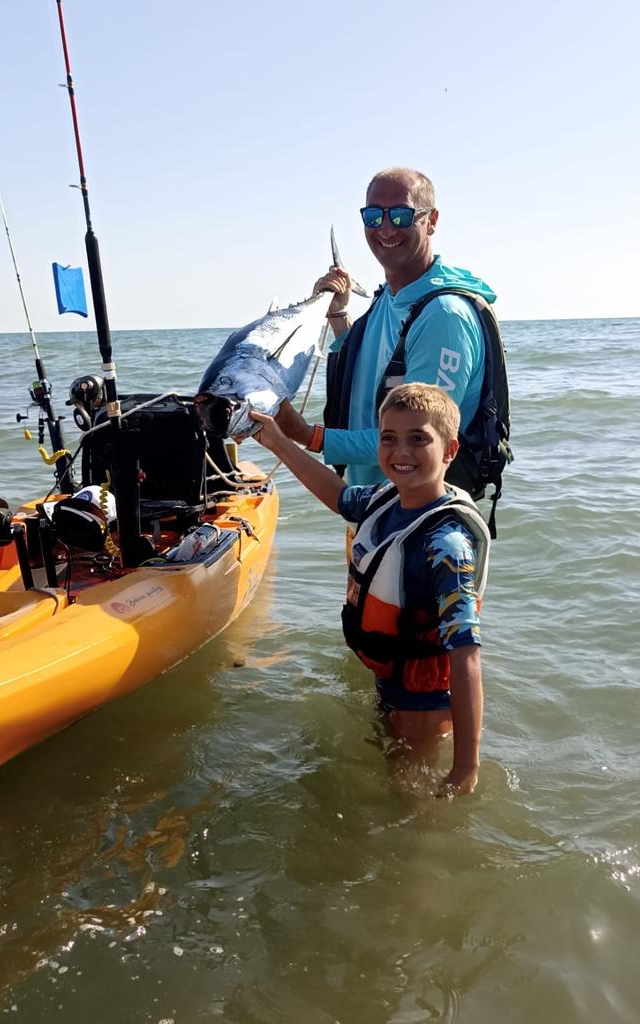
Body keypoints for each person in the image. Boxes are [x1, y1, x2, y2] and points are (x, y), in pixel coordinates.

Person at [250, 383, 491, 796]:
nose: (401, 452)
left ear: (449, 451)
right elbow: (339, 495)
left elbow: (466, 656)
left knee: (410, 805)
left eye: (419, 439)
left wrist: (466, 766)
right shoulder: (386, 500)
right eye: (389, 438)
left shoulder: (446, 546)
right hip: (389, 680)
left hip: (423, 703)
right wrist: (277, 442)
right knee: (387, 778)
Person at [274, 167, 500, 493]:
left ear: (431, 220)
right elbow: (370, 364)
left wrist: (305, 434)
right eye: (373, 216)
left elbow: (419, 439)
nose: (386, 228)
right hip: (372, 506)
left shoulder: (443, 318)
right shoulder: (391, 296)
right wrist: (338, 310)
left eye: (400, 215)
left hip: (420, 522)